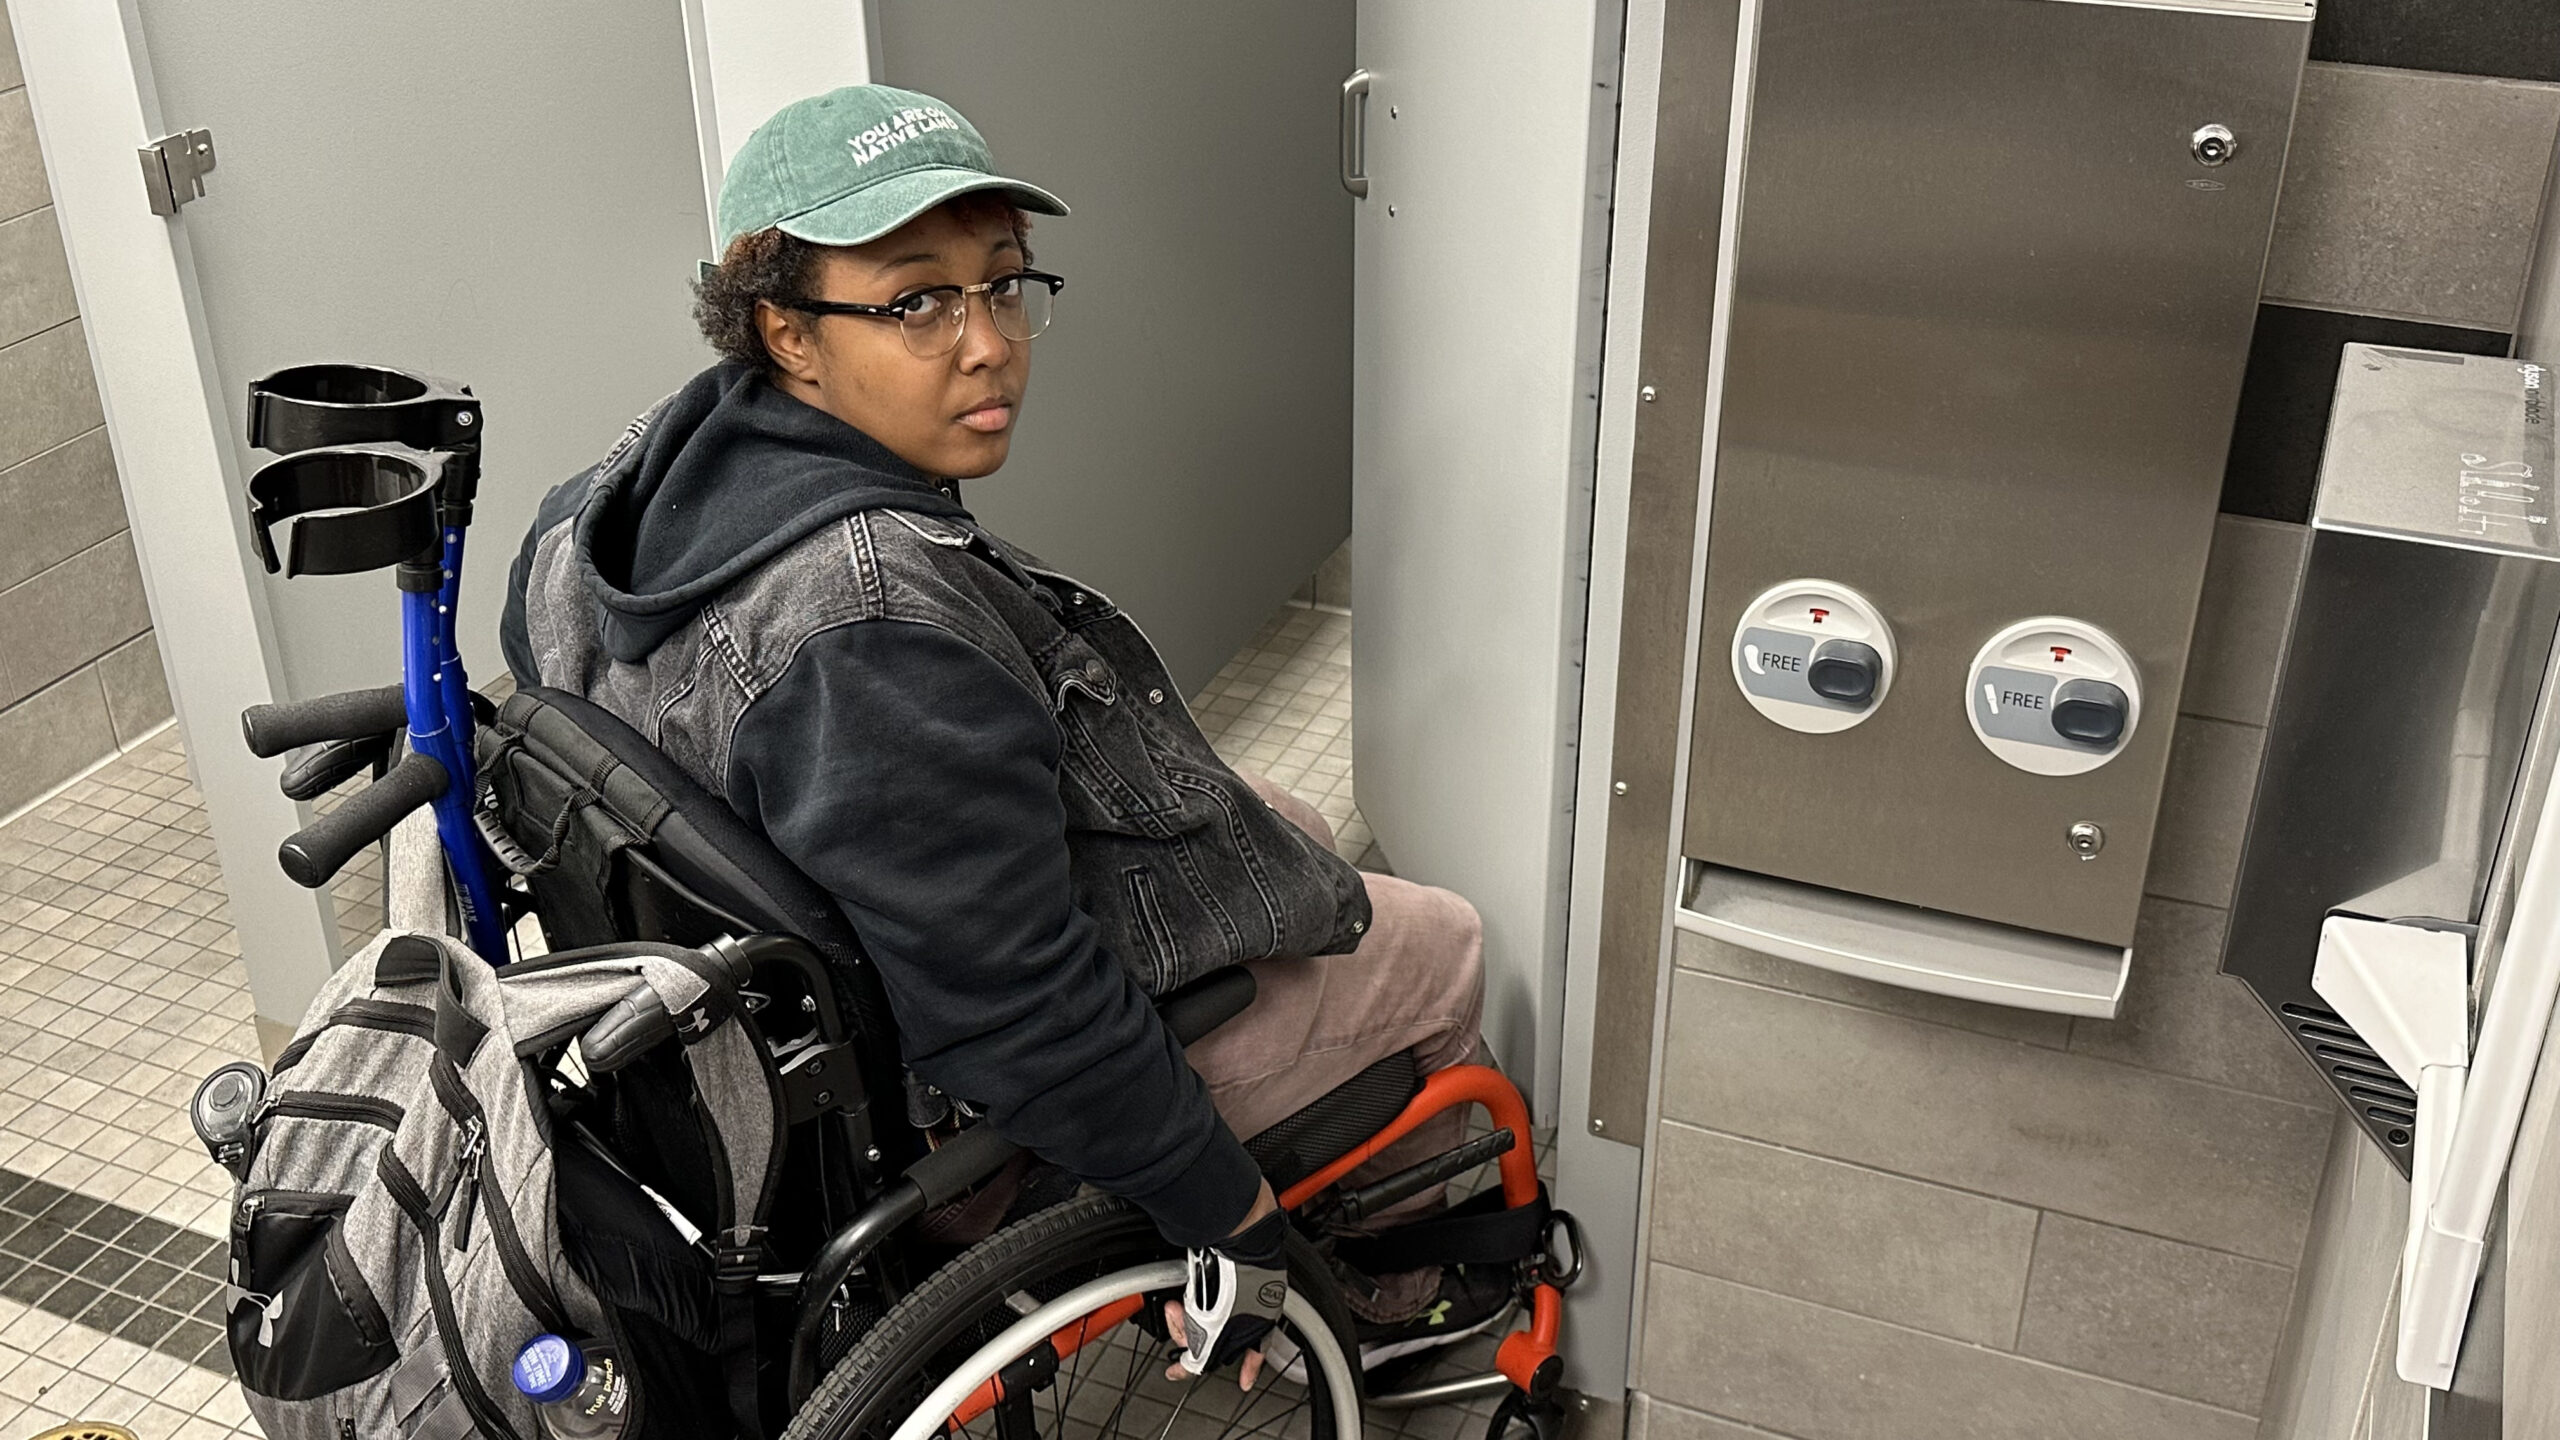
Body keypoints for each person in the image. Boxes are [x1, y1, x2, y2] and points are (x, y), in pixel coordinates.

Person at [499, 83, 1494, 1377]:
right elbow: (1019, 1016)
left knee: (1284, 827)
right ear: (786, 333)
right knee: (1444, 944)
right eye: (917, 301)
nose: (989, 344)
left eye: (1005, 284)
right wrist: (1230, 1216)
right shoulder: (872, 631)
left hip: (733, 1047)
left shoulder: (595, 516)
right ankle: (1390, 1302)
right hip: (942, 1106)